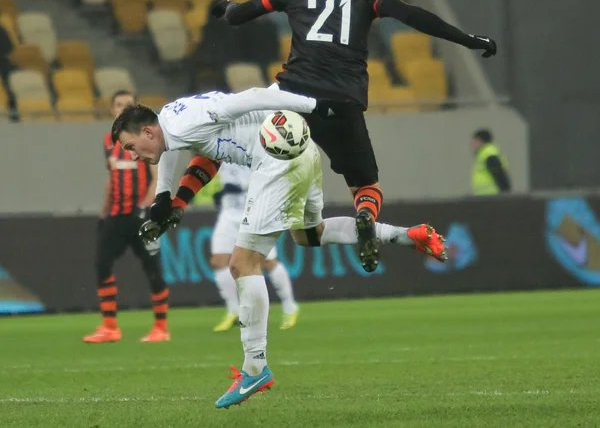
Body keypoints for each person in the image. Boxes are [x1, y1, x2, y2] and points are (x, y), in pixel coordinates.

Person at [110, 86, 447, 408]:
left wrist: (316, 106)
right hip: (301, 153)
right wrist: (167, 199)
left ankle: (255, 369)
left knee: (243, 264)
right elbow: (183, 153)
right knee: (308, 235)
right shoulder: (170, 120)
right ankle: (407, 235)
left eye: (130, 147)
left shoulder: (188, 120)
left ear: (147, 133)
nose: (133, 155)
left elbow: (254, 97)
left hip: (275, 163)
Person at [211, 0, 498, 274]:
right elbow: (412, 15)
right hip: (341, 103)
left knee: (229, 134)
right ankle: (364, 216)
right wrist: (469, 40)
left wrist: (223, 7)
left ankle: (224, 210)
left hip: (290, 98)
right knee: (365, 186)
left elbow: (239, 15)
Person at [83, 91, 170, 344]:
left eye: (127, 106)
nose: (122, 109)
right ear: (111, 109)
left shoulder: (146, 138)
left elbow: (156, 177)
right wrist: (104, 211)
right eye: (118, 105)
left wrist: (147, 208)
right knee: (102, 264)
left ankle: (161, 328)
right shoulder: (108, 142)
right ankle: (110, 326)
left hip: (140, 214)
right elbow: (112, 178)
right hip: (116, 215)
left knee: (153, 268)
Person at [211, 162, 299, 332]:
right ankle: (233, 311)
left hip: (255, 211)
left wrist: (235, 187)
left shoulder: (251, 142)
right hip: (229, 213)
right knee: (218, 261)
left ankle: (290, 307)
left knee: (267, 261)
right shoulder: (220, 144)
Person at [471, 129, 511, 195]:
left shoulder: (489, 155)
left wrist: (505, 197)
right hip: (488, 198)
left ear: (480, 141)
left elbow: (500, 177)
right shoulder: (485, 154)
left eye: (474, 142)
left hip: (492, 198)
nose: (473, 145)